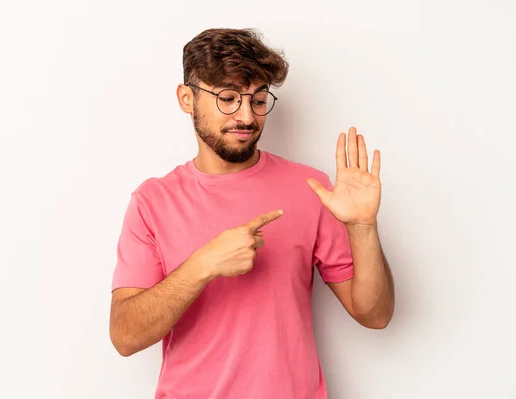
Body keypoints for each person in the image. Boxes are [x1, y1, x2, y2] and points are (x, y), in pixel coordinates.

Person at [109, 27, 395, 399]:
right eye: (228, 98)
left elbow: (374, 315)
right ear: (186, 98)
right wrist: (203, 265)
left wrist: (362, 227)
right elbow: (125, 336)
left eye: (258, 100)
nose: (246, 117)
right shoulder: (152, 201)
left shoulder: (310, 188)